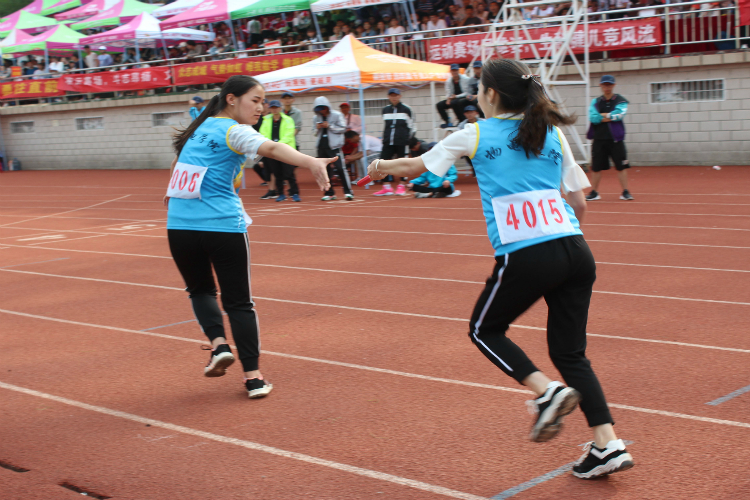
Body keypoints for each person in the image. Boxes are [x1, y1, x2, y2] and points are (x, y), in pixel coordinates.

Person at [365, 59, 634, 479]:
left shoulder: (474, 132)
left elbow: (416, 167)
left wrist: (379, 166)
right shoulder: (551, 131)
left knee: (483, 330)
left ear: (490, 94)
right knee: (569, 353)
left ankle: (546, 392)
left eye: (478, 91)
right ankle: (608, 444)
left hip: (528, 252)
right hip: (576, 249)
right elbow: (578, 201)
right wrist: (561, 234)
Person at [165, 75, 333, 399]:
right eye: (255, 101)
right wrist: (310, 161)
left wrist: (173, 191)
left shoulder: (197, 128)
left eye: (263, 102)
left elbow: (177, 163)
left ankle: (219, 345)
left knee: (199, 290)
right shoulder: (234, 130)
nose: (261, 108)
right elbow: (271, 147)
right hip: (222, 227)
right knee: (239, 303)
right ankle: (253, 378)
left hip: (180, 227)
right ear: (231, 99)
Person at [586, 75, 633, 201]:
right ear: (601, 85)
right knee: (596, 167)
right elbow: (593, 118)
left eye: (609, 84)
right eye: (605, 85)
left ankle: (625, 191)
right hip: (599, 139)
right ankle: (594, 192)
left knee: (621, 166)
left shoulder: (621, 101)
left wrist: (603, 116)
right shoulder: (595, 102)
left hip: (616, 139)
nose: (607, 87)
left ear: (614, 85)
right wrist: (609, 116)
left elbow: (619, 115)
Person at [373, 88, 416, 196]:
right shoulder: (385, 110)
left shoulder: (407, 109)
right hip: (388, 141)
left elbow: (412, 126)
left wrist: (408, 139)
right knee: (382, 163)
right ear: (388, 97)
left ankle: (401, 186)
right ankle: (386, 187)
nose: (394, 97)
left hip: (402, 141)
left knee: (402, 164)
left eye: (396, 95)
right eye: (392, 95)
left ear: (400, 96)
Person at [313, 96, 354, 201]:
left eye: (323, 108)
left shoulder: (337, 115)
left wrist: (330, 126)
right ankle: (329, 192)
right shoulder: (316, 118)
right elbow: (314, 133)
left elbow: (343, 128)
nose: (322, 111)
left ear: (327, 107)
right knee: (324, 171)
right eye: (319, 109)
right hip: (321, 146)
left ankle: (348, 192)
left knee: (340, 168)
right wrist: (317, 128)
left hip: (334, 147)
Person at [260, 100, 300, 202]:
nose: (274, 110)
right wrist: (271, 145)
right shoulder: (266, 120)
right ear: (270, 109)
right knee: (277, 173)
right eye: (272, 108)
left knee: (289, 173)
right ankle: (281, 193)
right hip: (273, 151)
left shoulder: (288, 120)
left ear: (280, 108)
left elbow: (289, 134)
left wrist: (278, 144)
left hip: (285, 150)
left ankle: (295, 193)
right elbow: (263, 133)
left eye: (276, 107)